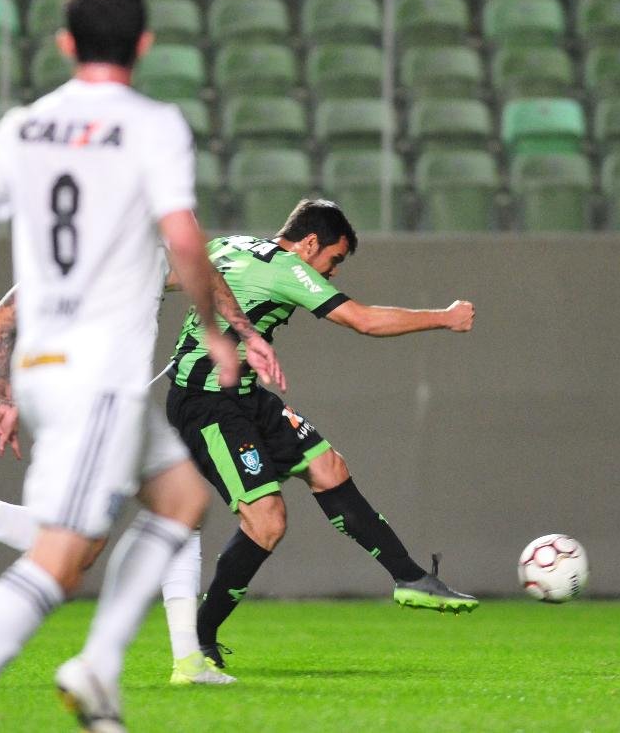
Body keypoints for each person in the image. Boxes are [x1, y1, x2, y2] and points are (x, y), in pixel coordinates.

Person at [0, 0, 274, 733]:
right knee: (60, 560)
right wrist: (215, 328)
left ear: (65, 43)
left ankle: (97, 668)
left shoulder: (24, 125)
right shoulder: (153, 124)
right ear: (145, 44)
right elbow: (184, 238)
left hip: (47, 367)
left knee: (183, 499)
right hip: (97, 375)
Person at [164, 199, 480, 670]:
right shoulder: (287, 267)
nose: (332, 272)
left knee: (327, 466)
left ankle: (410, 577)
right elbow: (362, 319)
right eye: (334, 259)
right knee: (267, 522)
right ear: (310, 243)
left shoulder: (231, 244)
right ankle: (200, 638)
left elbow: (176, 275)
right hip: (208, 403)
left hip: (245, 393)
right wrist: (444, 317)